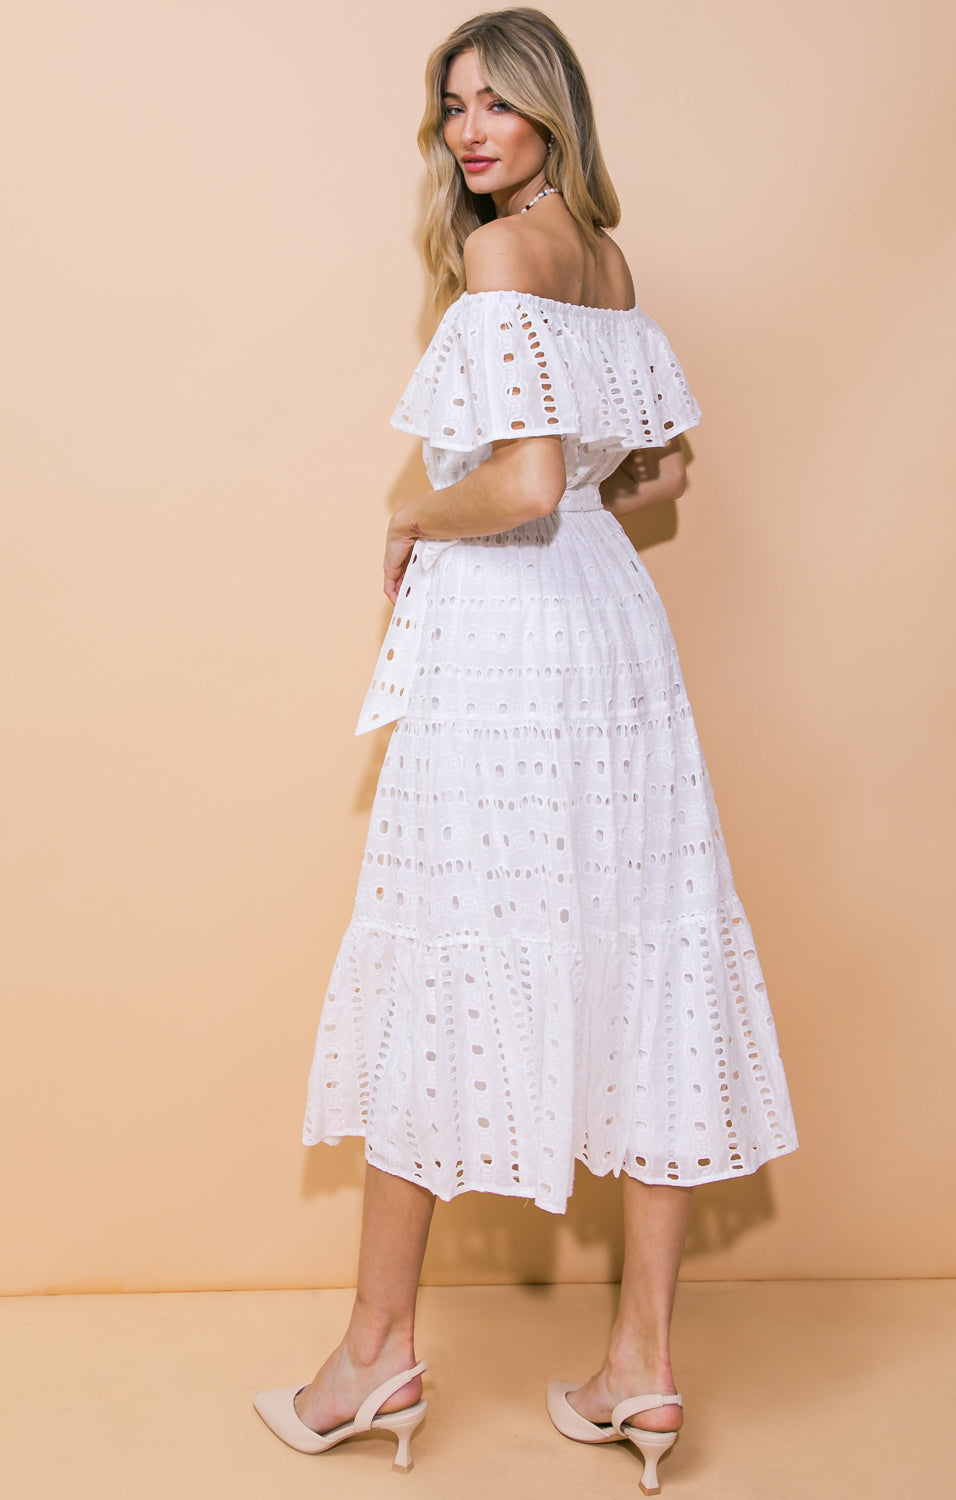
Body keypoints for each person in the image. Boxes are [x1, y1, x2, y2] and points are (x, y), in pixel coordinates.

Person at [253, 8, 797, 1492]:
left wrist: (406, 516)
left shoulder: (504, 258)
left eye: (496, 100)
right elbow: (661, 463)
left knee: (450, 950)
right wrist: (568, 541)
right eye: (452, 107)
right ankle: (644, 1368)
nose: (470, 129)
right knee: (637, 956)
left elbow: (526, 480)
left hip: (510, 655)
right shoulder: (610, 265)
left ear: (555, 108)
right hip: (614, 638)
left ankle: (374, 1355)